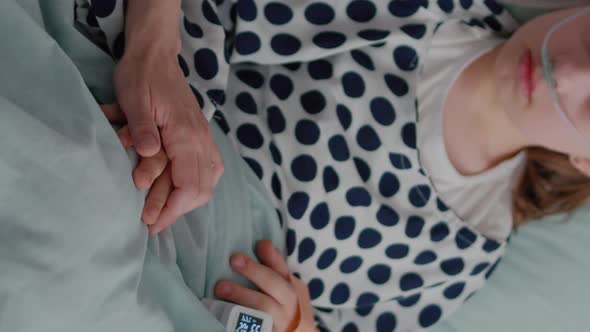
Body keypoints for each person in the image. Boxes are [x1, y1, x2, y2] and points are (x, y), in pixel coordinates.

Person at [77, 1, 590, 331]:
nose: (563, 73)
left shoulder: (453, 264)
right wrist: (156, 53)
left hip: (200, 277)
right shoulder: (428, 9)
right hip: (131, 113)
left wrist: (296, 324)